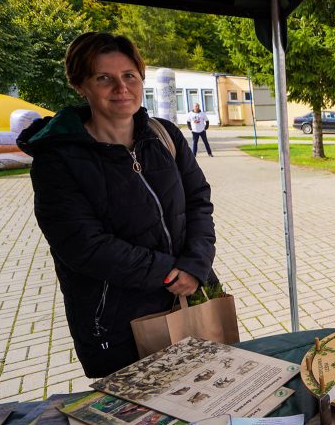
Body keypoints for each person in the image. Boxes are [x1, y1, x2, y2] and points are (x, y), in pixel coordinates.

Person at [18, 32, 216, 378]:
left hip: (189, 300)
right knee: (142, 419)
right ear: (80, 85)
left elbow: (199, 201)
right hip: (118, 321)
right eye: (104, 78)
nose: (121, 88)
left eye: (129, 76)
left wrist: (195, 264)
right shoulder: (59, 158)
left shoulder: (163, 135)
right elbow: (82, 245)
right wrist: (169, 271)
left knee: (210, 396)